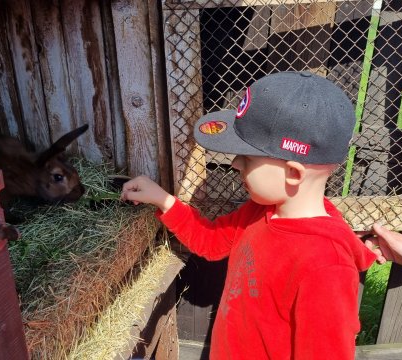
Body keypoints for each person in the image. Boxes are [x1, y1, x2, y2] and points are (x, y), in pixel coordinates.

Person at [121, 71, 377, 359]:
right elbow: (211, 242)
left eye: (248, 157)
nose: (234, 163)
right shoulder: (260, 211)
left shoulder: (326, 266)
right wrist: (164, 200)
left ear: (293, 173)